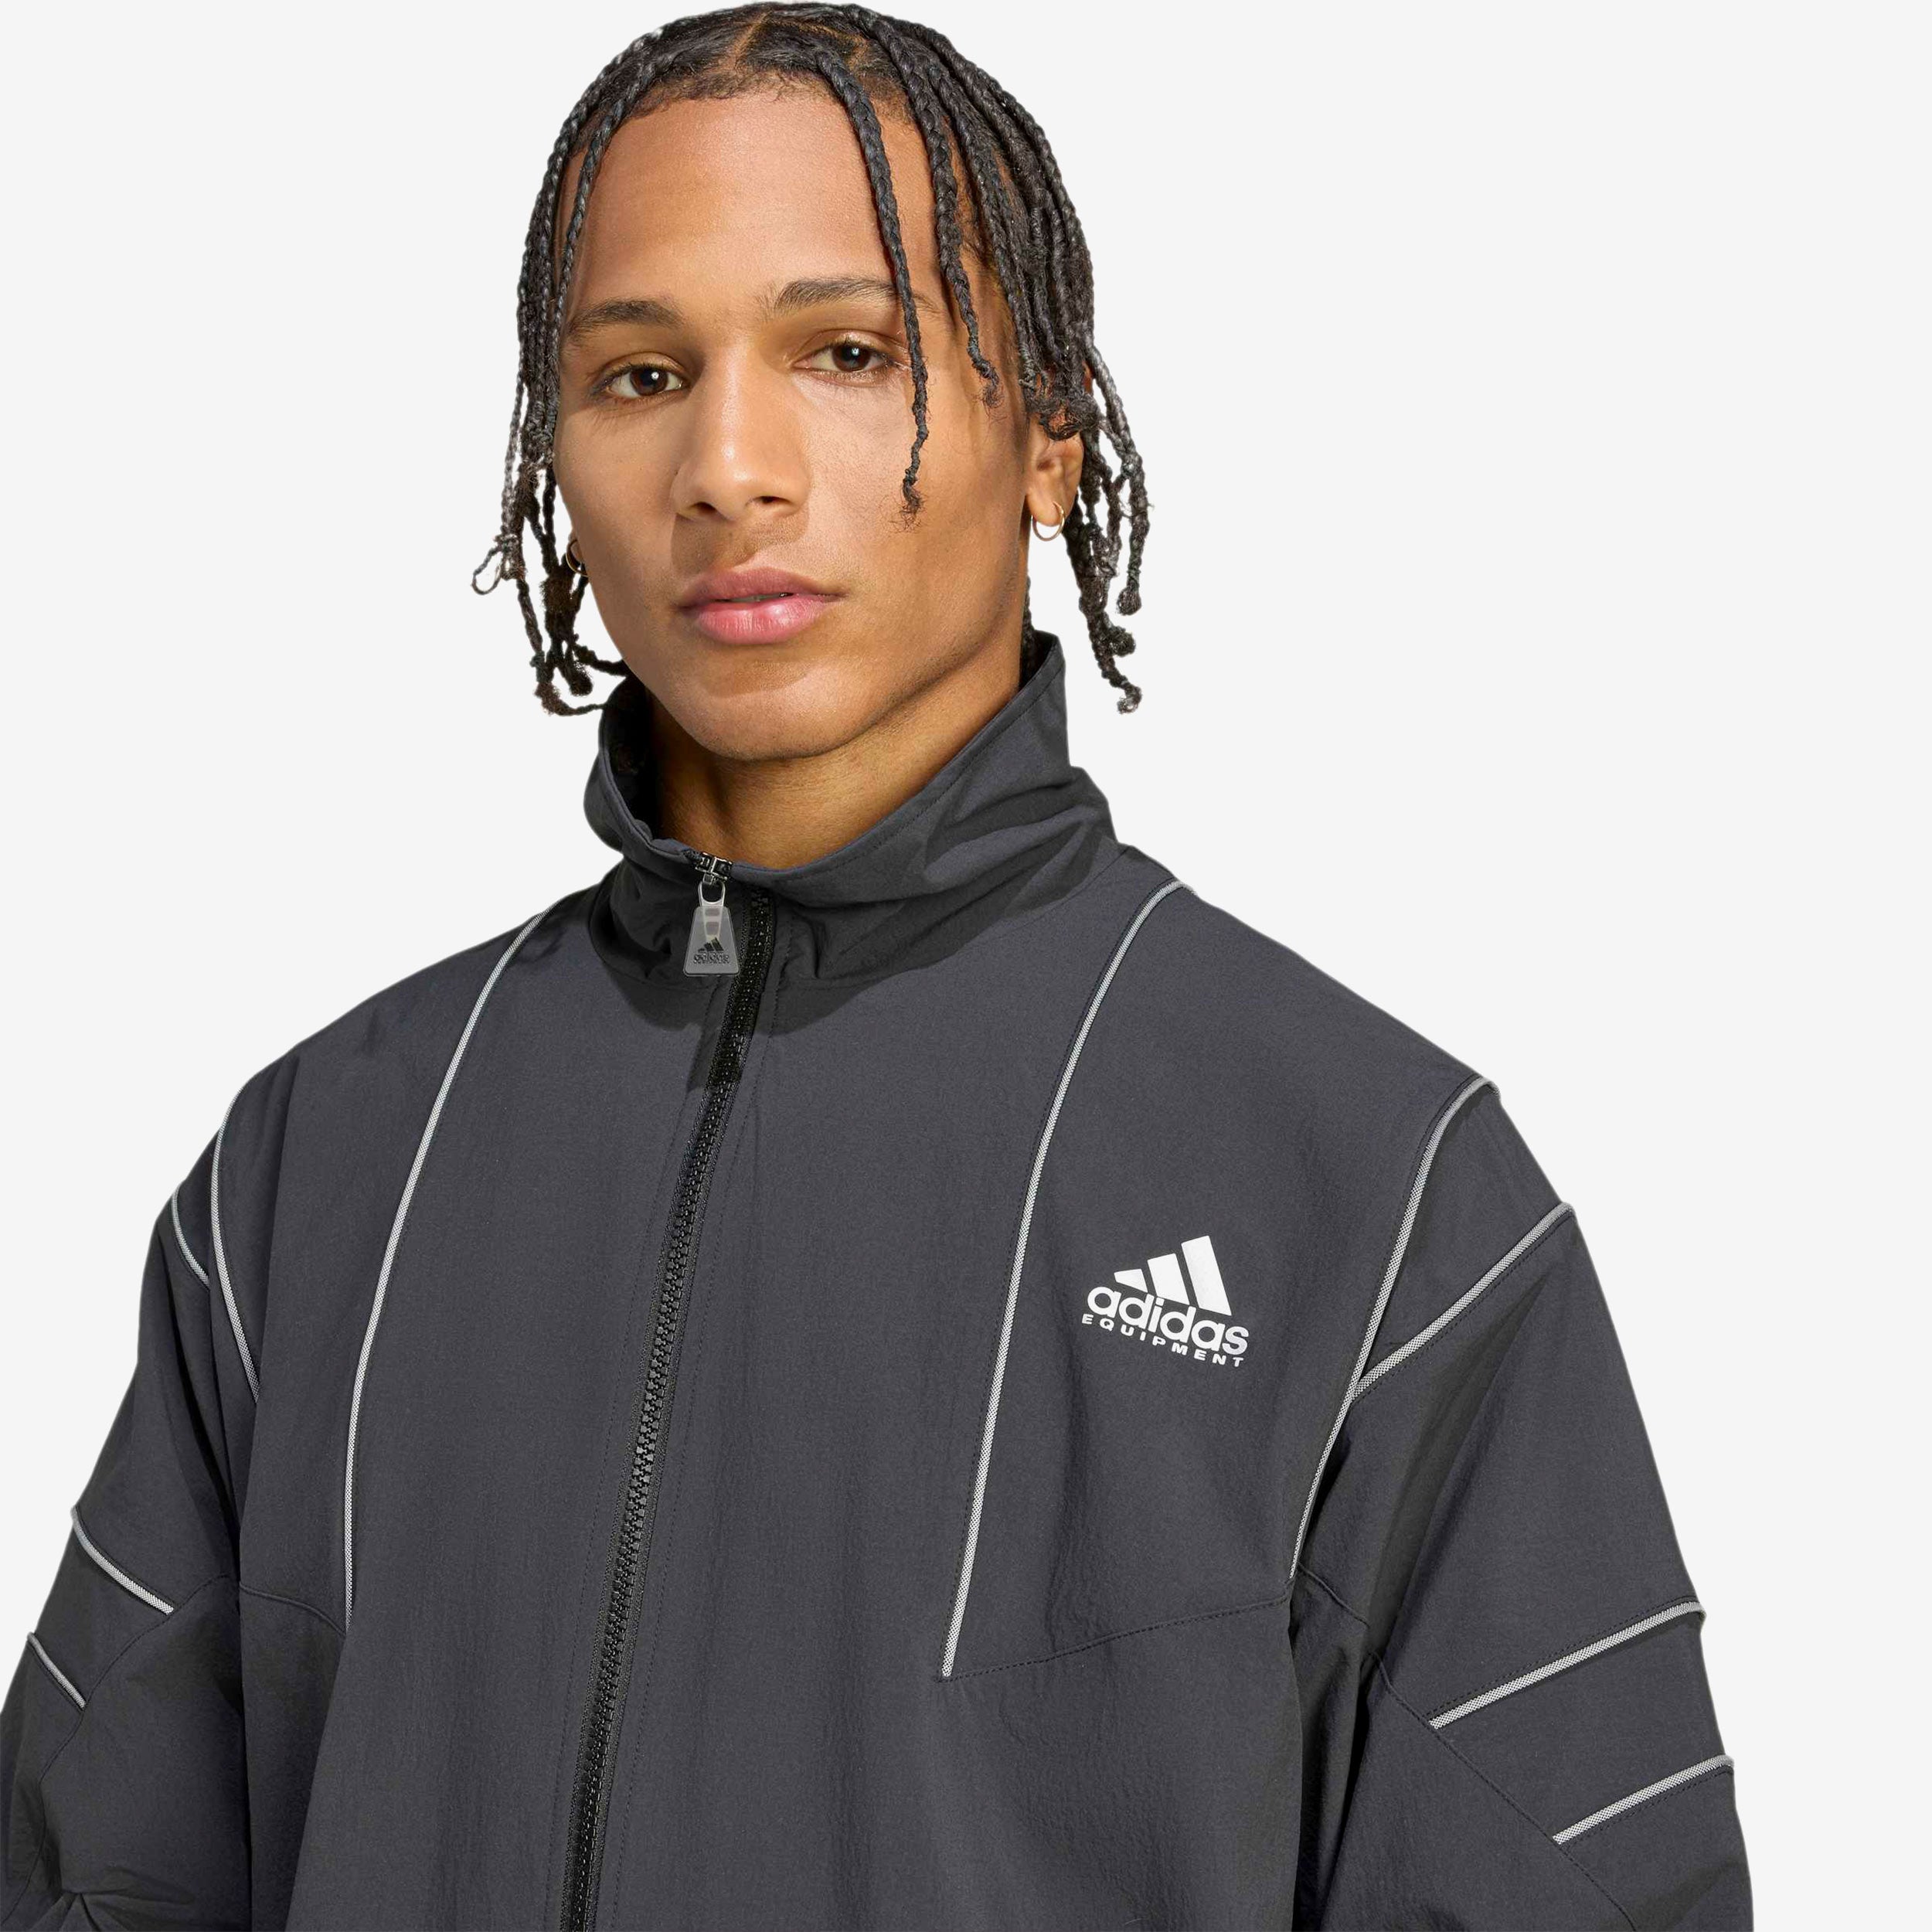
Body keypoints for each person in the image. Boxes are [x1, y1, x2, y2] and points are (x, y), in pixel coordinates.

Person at [0, 5, 1752, 1927]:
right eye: (639, 372)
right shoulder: (320, 1168)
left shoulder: (1380, 1194)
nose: (727, 466)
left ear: (1049, 434)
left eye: (846, 352)